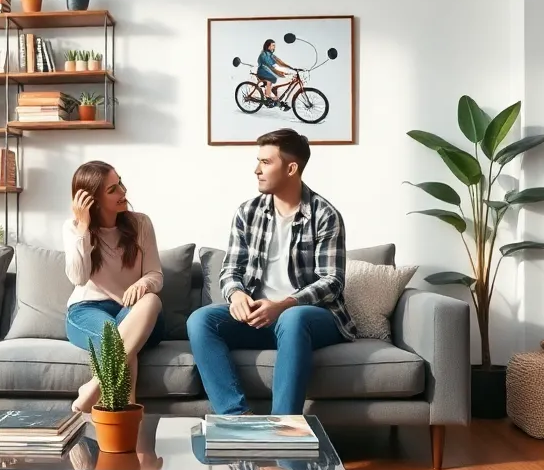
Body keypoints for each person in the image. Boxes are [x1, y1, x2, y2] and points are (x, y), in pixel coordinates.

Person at [188, 129, 356, 420]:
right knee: (201, 319)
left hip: (310, 317)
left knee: (293, 317)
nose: (256, 170)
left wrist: (283, 305)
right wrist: (237, 294)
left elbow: (332, 281)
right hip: (258, 316)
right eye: (258, 161)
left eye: (265, 162)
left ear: (291, 168)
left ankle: (283, 426)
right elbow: (230, 270)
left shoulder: (325, 215)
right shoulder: (247, 212)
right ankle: (238, 419)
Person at [64, 161, 165, 413]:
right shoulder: (73, 228)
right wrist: (84, 228)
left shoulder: (141, 224)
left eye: (120, 183)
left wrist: (143, 284)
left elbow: (155, 274)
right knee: (115, 338)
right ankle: (128, 419)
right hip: (88, 310)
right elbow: (78, 277)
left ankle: (93, 388)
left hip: (133, 311)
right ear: (92, 200)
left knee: (152, 300)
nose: (122, 192)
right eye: (112, 190)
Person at [255, 38, 292, 104]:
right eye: (273, 45)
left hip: (268, 71)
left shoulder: (271, 55)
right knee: (271, 79)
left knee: (278, 79)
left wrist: (291, 67)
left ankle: (273, 95)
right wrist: (279, 73)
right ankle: (268, 96)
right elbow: (269, 66)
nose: (274, 47)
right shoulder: (264, 55)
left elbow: (280, 62)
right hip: (262, 72)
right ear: (268, 46)